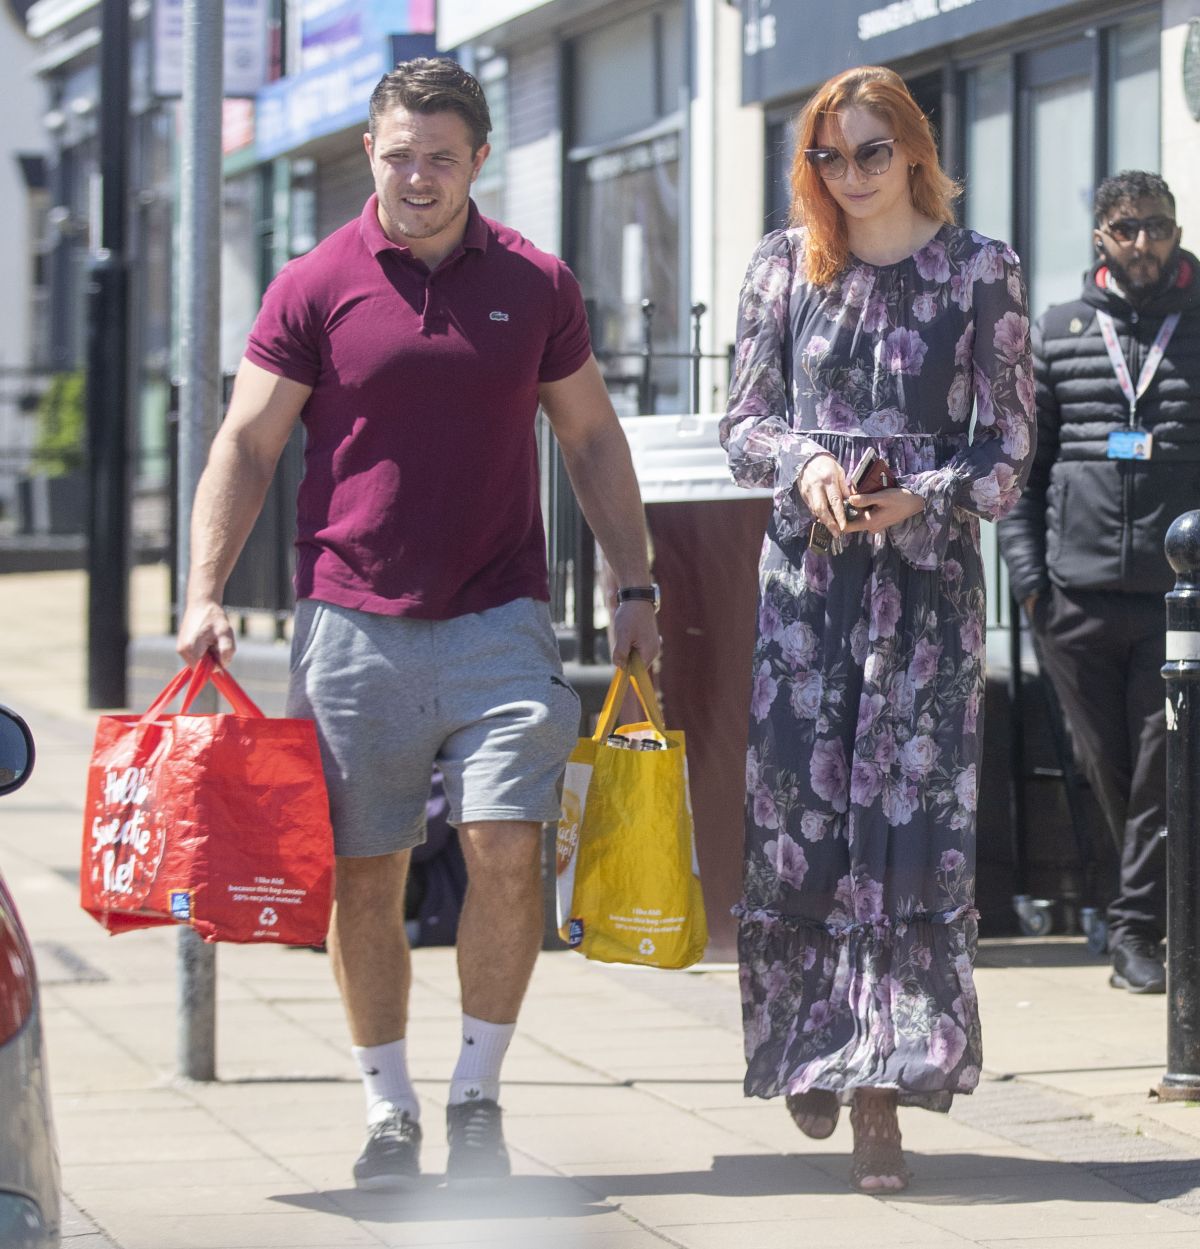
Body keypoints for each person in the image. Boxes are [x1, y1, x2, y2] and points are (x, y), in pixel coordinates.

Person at [176, 58, 660, 1190]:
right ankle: (388, 1107)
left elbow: (589, 438)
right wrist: (204, 588)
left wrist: (635, 587)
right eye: (401, 154)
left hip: (501, 617)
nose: (420, 176)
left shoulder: (535, 283)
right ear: (371, 154)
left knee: (506, 848)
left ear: (478, 160)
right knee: (364, 875)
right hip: (353, 623)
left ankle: (478, 1096)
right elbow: (246, 442)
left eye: (442, 157)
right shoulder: (315, 282)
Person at [720, 65, 1034, 1193]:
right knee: (801, 820)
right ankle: (811, 1039)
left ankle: (882, 1093)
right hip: (808, 589)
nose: (849, 177)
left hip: (928, 594)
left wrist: (929, 492)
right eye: (827, 157)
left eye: (868, 152)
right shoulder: (782, 263)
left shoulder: (979, 271)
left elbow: (1009, 454)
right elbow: (744, 422)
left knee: (904, 839)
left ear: (912, 150)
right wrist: (805, 462)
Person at [998, 170, 1200, 995]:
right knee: (1106, 770)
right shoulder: (1058, 329)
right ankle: (1147, 913)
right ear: (1101, 239)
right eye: (1128, 229)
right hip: (1073, 596)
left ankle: (1136, 930)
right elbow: (1023, 470)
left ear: (1177, 228)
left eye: (1158, 226)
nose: (1145, 243)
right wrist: (1030, 581)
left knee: (1159, 768)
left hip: (1174, 598)